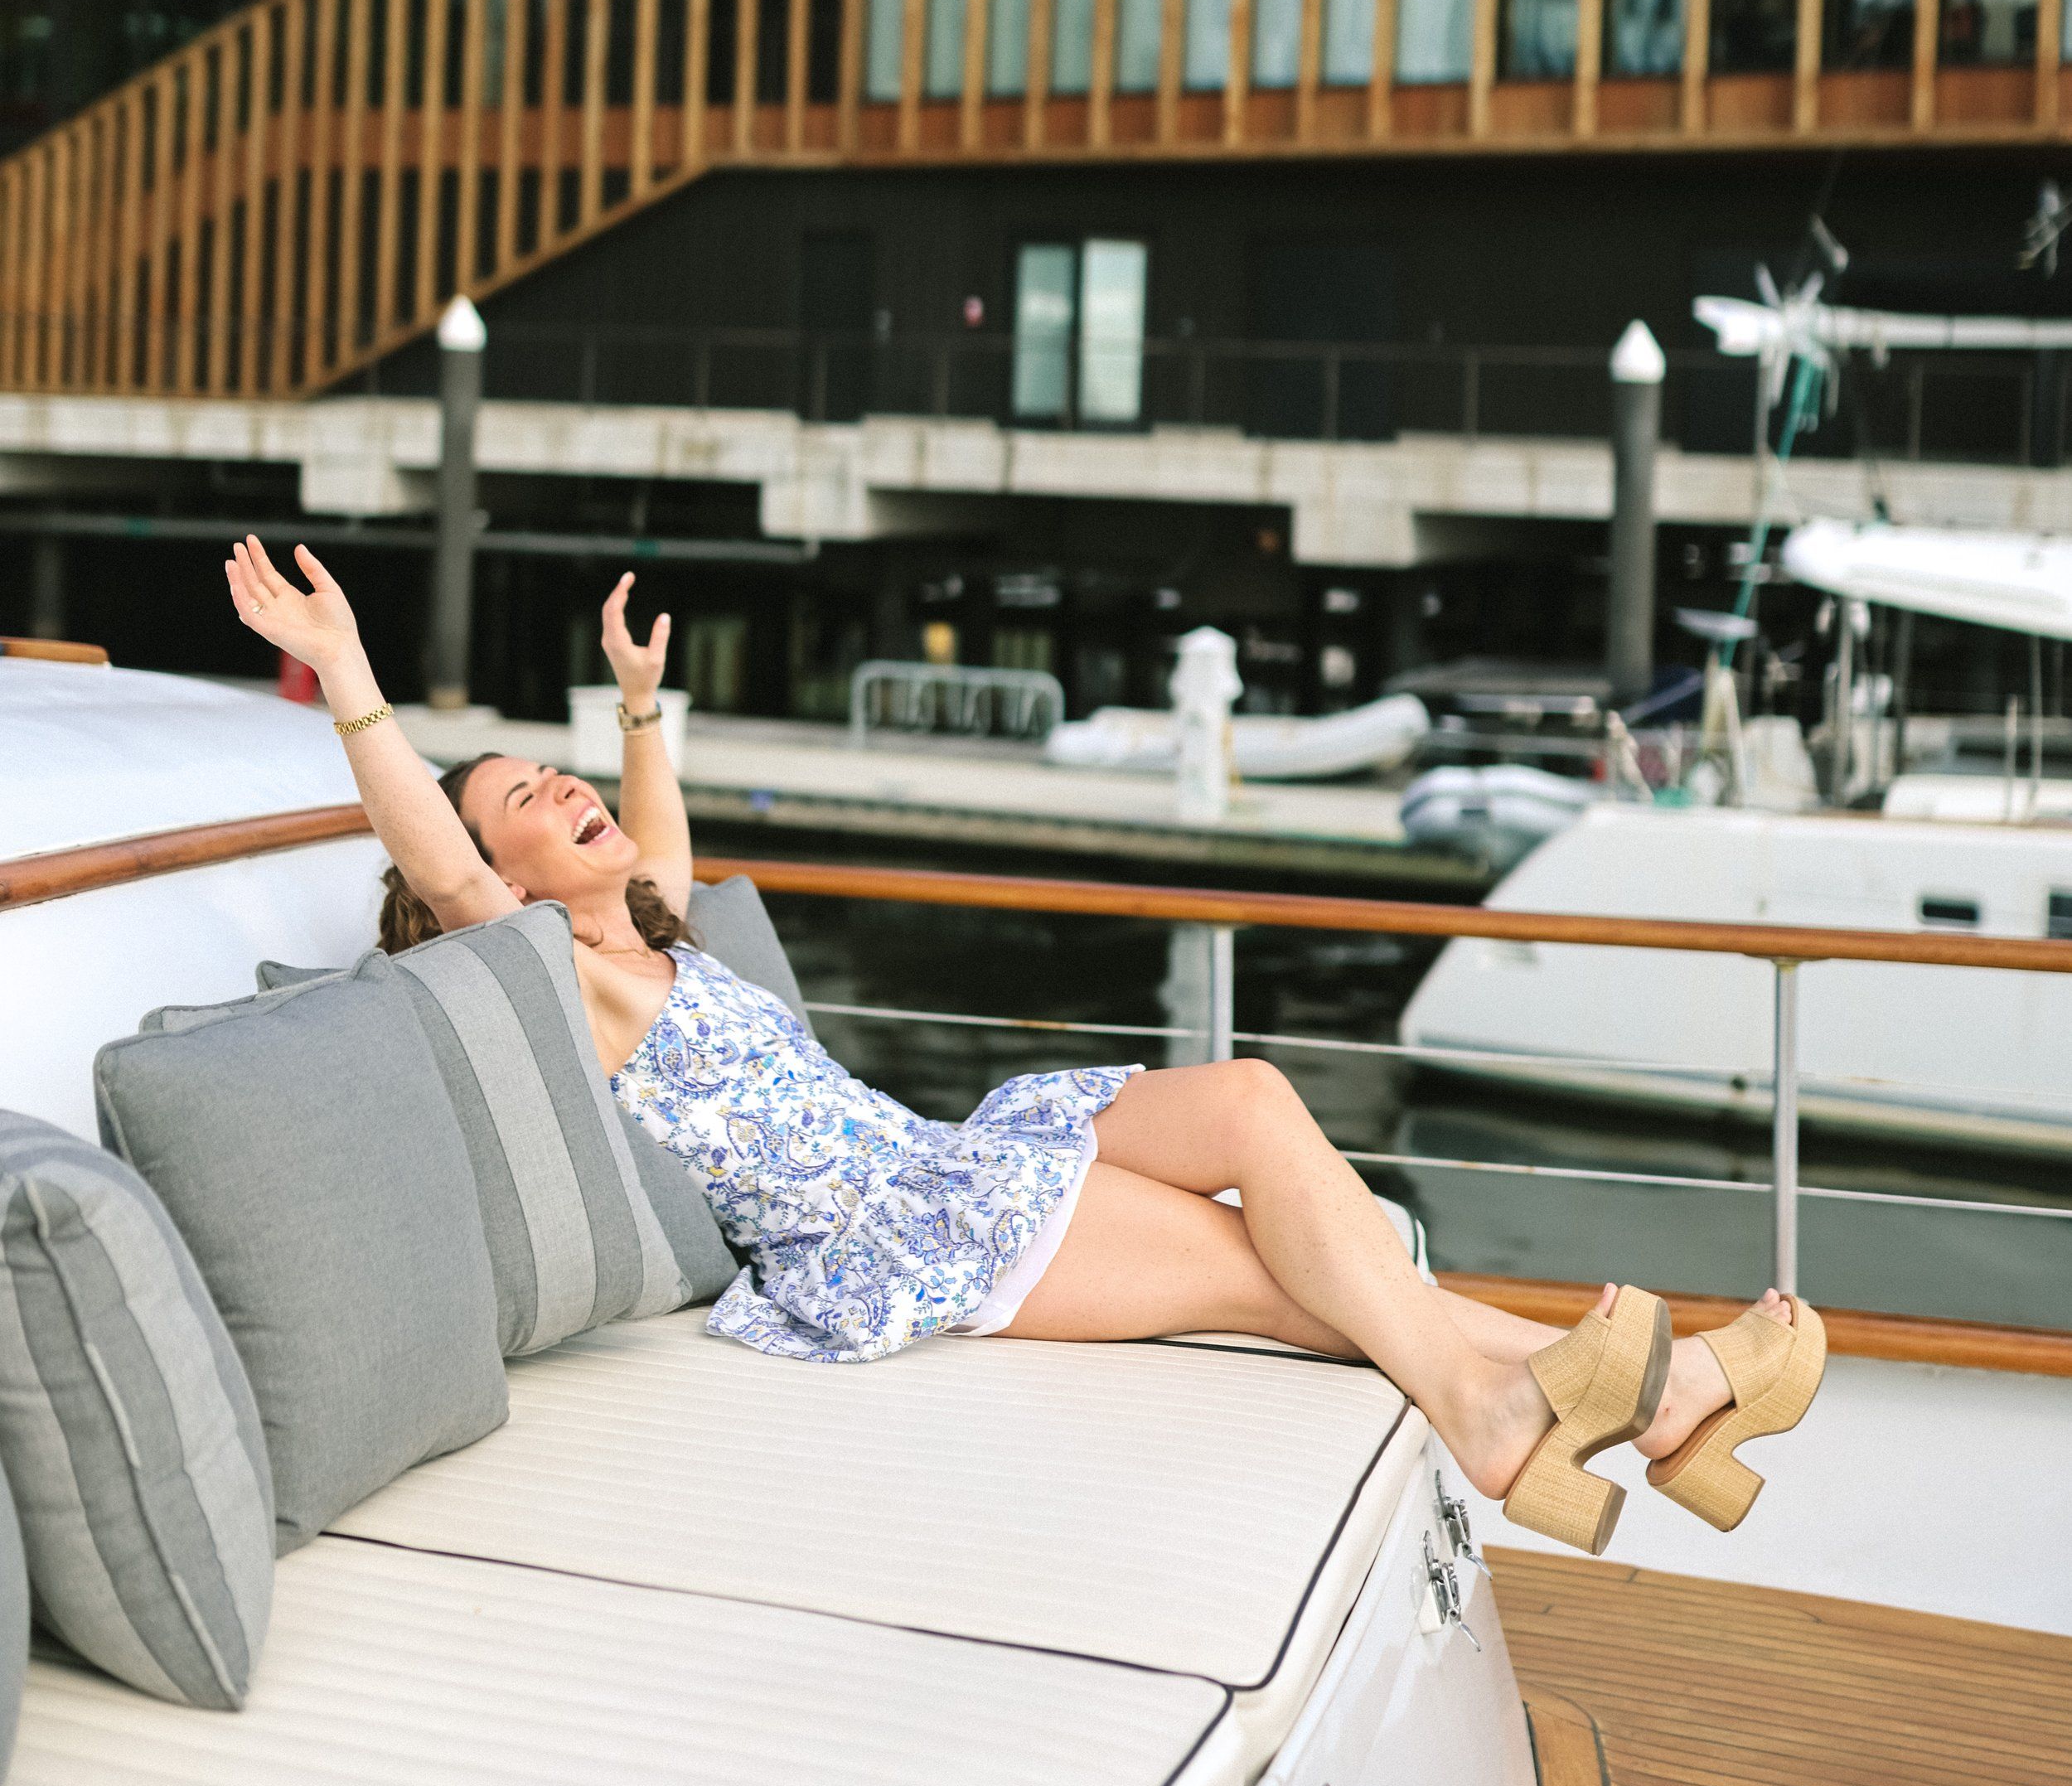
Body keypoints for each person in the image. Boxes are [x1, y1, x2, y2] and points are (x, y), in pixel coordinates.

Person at [225, 535, 1826, 1554]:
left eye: (552, 776)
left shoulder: (643, 932)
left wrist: (641, 705)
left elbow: (655, 827)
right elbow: (431, 857)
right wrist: (354, 669)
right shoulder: (548, 973)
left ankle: (1653, 1404)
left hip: (950, 1155)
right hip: (897, 1234)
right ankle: (1593, 1411)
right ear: (489, 878)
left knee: (1260, 1109)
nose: (560, 793)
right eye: (520, 803)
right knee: (1279, 1271)